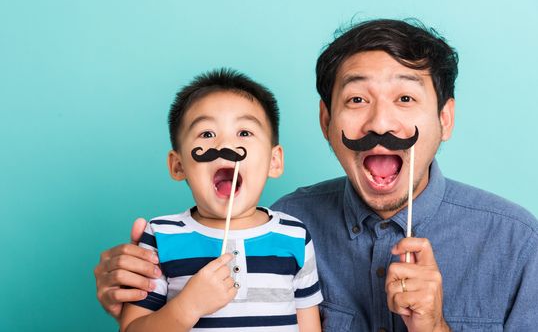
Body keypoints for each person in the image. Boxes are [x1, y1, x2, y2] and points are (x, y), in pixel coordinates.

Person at [95, 19, 538, 331]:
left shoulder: (518, 242)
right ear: (326, 121)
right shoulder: (282, 224)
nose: (380, 125)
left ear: (445, 119)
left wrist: (434, 328)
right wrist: (141, 294)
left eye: (405, 98)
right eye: (357, 100)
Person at [118, 68, 323, 332]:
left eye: (245, 133)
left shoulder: (295, 235)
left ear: (274, 162)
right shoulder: (160, 236)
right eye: (206, 134)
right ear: (178, 165)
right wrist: (187, 307)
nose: (224, 145)